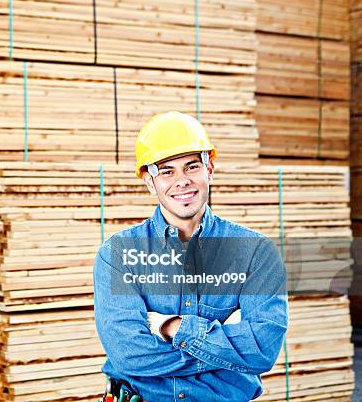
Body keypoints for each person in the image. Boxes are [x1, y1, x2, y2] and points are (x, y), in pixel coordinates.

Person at [94, 111, 288, 401]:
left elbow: (261, 349)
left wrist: (172, 327)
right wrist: (227, 349)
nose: (181, 181)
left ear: (209, 168)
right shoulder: (118, 254)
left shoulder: (255, 253)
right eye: (167, 171)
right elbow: (129, 355)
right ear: (150, 182)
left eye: (191, 167)